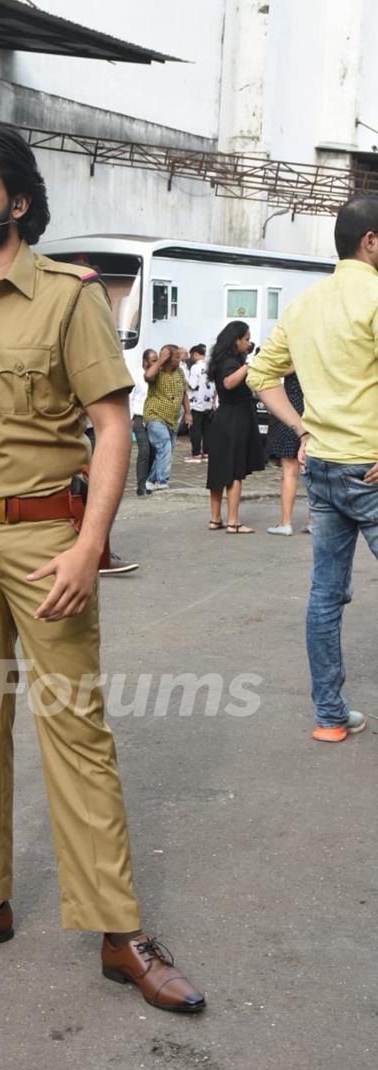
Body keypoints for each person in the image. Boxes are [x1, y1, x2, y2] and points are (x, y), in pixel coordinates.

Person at [0, 123, 204, 1010]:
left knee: (75, 732)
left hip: (43, 543)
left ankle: (117, 930)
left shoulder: (67, 299)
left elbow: (110, 431)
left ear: (16, 201)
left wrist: (90, 545)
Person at [247, 194, 378, 743]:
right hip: (369, 470)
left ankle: (329, 715)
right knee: (326, 594)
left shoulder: (304, 305)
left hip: (322, 466)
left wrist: (302, 429)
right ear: (372, 240)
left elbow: (261, 375)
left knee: (325, 595)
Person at [205, 321, 264, 533]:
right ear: (236, 340)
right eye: (246, 339)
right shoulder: (231, 362)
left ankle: (215, 519)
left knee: (218, 470)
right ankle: (233, 521)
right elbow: (229, 383)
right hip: (235, 420)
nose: (248, 343)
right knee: (235, 471)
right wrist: (249, 365)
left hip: (223, 419)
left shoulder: (222, 360)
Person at [264, 369, 311, 536]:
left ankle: (286, 523)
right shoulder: (317, 355)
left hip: (291, 417)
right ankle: (312, 521)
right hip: (314, 416)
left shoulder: (293, 357)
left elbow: (271, 371)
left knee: (289, 473)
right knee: (313, 473)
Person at [143, 344, 192, 491]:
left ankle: (151, 480)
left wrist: (188, 413)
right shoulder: (157, 371)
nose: (180, 360)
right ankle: (162, 481)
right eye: (177, 357)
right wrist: (160, 360)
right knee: (164, 446)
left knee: (166, 451)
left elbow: (184, 393)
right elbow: (148, 376)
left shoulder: (180, 373)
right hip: (155, 415)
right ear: (168, 359)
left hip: (172, 419)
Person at [184, 343, 214, 462]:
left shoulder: (195, 367)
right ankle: (206, 453)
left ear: (195, 354)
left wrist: (185, 379)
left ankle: (196, 453)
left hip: (196, 402)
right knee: (207, 430)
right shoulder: (210, 366)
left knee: (195, 429)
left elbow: (192, 384)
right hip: (208, 402)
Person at [130, 348, 153, 495]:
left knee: (153, 451)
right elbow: (130, 397)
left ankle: (148, 481)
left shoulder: (156, 375)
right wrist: (130, 417)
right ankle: (140, 485)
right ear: (145, 361)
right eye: (153, 360)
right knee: (144, 450)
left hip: (153, 418)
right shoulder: (136, 375)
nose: (156, 363)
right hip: (138, 417)